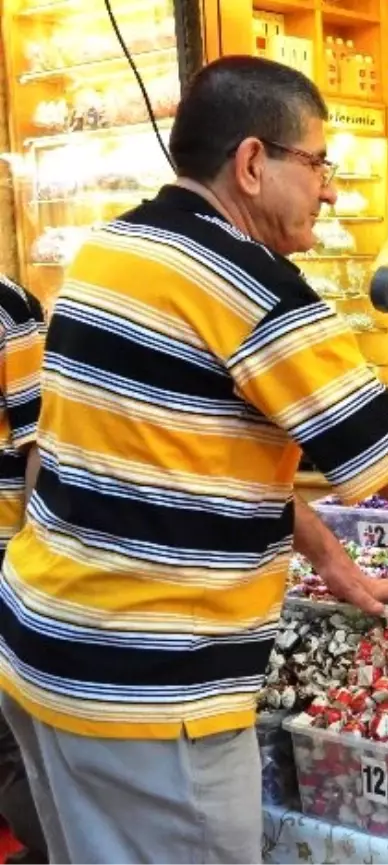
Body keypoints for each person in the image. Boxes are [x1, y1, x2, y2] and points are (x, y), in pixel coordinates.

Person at [0, 55, 388, 864]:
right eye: (319, 162)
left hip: (41, 651)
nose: (329, 187)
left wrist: (327, 553)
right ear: (253, 163)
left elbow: (176, 454)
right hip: (151, 689)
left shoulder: (110, 252)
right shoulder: (257, 290)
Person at [0, 276, 46, 864]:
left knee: (15, 743)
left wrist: (35, 558)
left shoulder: (8, 308)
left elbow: (40, 440)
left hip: (7, 552)